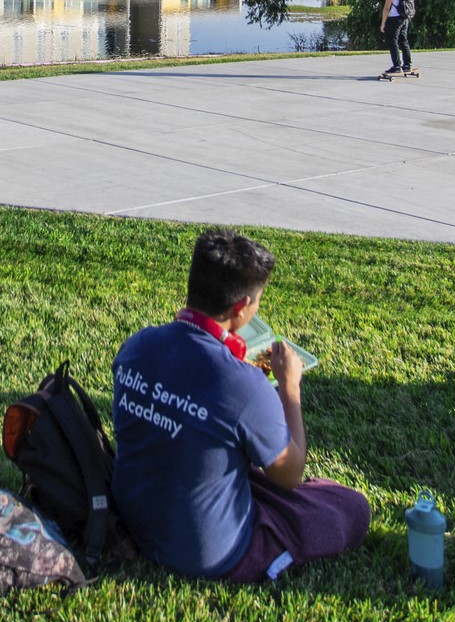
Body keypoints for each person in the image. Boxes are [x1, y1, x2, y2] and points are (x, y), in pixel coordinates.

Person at [111, 227, 370, 582]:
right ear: (241, 307)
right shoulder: (245, 384)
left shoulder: (137, 346)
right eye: (258, 299)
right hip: (209, 553)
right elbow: (289, 474)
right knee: (350, 507)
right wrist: (289, 388)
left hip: (132, 515)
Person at [379, 0, 412, 76]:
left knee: (392, 40)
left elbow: (386, 8)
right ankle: (407, 64)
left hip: (395, 18)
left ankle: (397, 66)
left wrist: (383, 23)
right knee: (403, 40)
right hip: (404, 18)